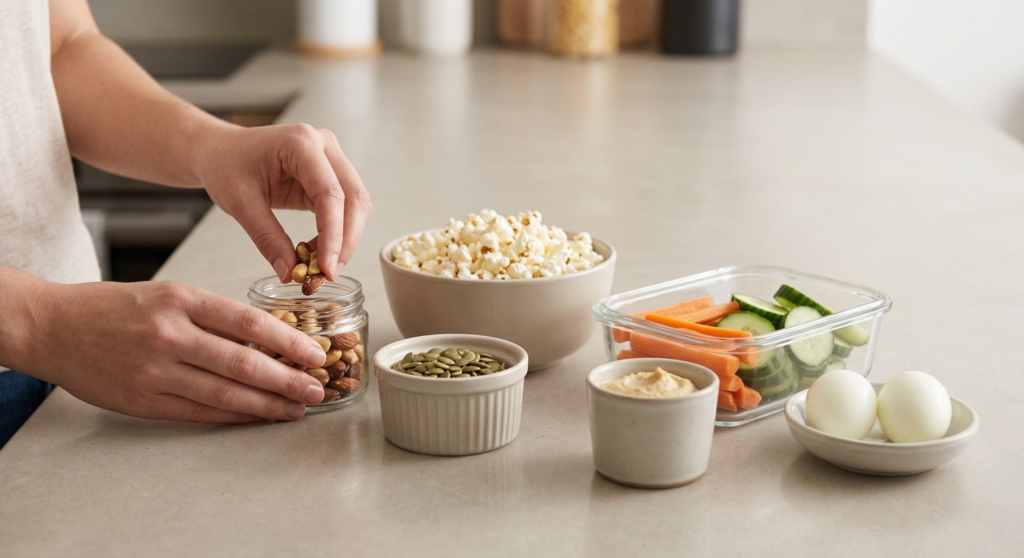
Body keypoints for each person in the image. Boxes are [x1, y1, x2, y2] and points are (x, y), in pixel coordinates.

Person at [0, 0, 372, 447]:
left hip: (80, 365)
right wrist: (46, 325)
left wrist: (211, 145)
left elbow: (59, 46)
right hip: (62, 337)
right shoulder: (58, 331)